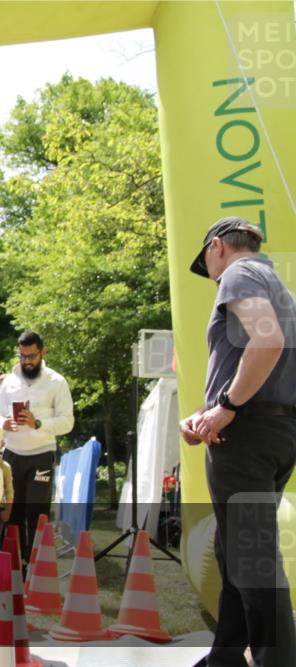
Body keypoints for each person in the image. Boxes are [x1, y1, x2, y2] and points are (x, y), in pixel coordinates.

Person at [179, 217, 296, 667]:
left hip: (244, 434)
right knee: (237, 552)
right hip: (272, 430)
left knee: (252, 559)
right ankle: (224, 659)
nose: (210, 275)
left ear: (217, 248)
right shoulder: (276, 283)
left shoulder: (240, 273)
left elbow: (266, 342)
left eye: (206, 263)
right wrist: (215, 409)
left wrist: (226, 406)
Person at [0, 331, 74, 563]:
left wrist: (37, 423)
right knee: (12, 514)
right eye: (22, 356)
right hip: (11, 454)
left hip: (41, 454)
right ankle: (13, 566)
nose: (27, 361)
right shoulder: (9, 381)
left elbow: (67, 422)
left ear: (43, 352)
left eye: (31, 356)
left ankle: (37, 566)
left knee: (36, 513)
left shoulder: (56, 382)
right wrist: (4, 423)